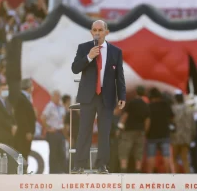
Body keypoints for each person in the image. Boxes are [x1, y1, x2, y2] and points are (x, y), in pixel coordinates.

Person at [71, 20, 126, 174]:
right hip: (88, 96)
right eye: (94, 30)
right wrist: (88, 57)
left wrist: (122, 95)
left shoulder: (116, 51)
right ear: (91, 32)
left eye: (100, 30)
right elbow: (75, 68)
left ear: (106, 32)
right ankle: (79, 165)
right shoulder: (84, 48)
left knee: (104, 132)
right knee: (84, 131)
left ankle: (102, 165)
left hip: (106, 97)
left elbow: (119, 76)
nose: (97, 32)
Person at [117, 86, 149, 173]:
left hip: (129, 130)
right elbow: (147, 120)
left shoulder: (131, 103)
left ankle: (123, 170)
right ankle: (137, 170)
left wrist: (119, 128)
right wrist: (145, 132)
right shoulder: (145, 105)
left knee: (124, 150)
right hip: (140, 131)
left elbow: (125, 116)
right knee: (139, 151)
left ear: (136, 92)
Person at [146, 88, 174, 173]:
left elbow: (147, 121)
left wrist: (145, 133)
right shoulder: (166, 105)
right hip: (165, 134)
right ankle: (168, 175)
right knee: (166, 155)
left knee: (151, 156)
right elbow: (172, 118)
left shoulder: (149, 106)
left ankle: (149, 175)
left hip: (152, 135)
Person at [9, 78, 36, 161]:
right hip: (23, 133)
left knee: (25, 153)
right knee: (22, 153)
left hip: (26, 132)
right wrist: (28, 131)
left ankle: (23, 171)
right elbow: (22, 117)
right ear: (29, 87)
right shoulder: (21, 99)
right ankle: (21, 172)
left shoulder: (25, 98)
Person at [41, 90, 66, 174]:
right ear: (52, 97)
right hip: (53, 133)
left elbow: (63, 118)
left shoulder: (61, 107)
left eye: (59, 96)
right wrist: (48, 128)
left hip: (60, 131)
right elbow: (43, 118)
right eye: (56, 96)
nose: (58, 98)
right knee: (53, 152)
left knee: (61, 151)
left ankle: (61, 170)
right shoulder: (50, 106)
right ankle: (53, 171)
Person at [171, 90, 196, 173]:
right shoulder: (189, 110)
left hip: (175, 137)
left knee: (174, 158)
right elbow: (193, 124)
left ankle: (176, 176)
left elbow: (171, 123)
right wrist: (192, 136)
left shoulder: (173, 109)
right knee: (184, 158)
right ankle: (187, 177)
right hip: (186, 137)